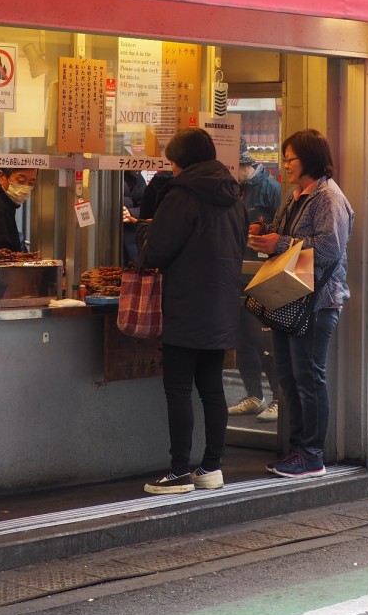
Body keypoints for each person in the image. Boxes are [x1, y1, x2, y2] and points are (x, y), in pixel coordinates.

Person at [137, 128, 248, 495]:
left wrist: (145, 236)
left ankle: (179, 470)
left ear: (181, 161)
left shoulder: (181, 195)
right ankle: (212, 468)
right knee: (212, 389)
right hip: (222, 305)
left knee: (178, 388)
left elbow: (158, 251)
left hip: (187, 303)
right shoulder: (234, 195)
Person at [248, 129, 354, 479]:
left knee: (308, 377)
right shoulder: (296, 195)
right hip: (290, 298)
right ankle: (296, 449)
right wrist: (263, 234)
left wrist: (279, 243)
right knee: (289, 378)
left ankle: (311, 455)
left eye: (290, 158)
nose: (286, 164)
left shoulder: (328, 197)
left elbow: (328, 250)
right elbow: (281, 234)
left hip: (317, 302)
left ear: (308, 158)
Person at [229, 147, 281, 422]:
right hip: (237, 273)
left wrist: (264, 232)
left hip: (262, 274)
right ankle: (253, 395)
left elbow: (284, 231)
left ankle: (277, 397)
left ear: (243, 164)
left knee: (265, 340)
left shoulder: (271, 189)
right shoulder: (233, 190)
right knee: (242, 339)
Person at [0, 160, 38, 253]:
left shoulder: (7, 204)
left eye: (31, 183)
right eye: (21, 181)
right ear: (1, 177)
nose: (25, 188)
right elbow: (1, 255)